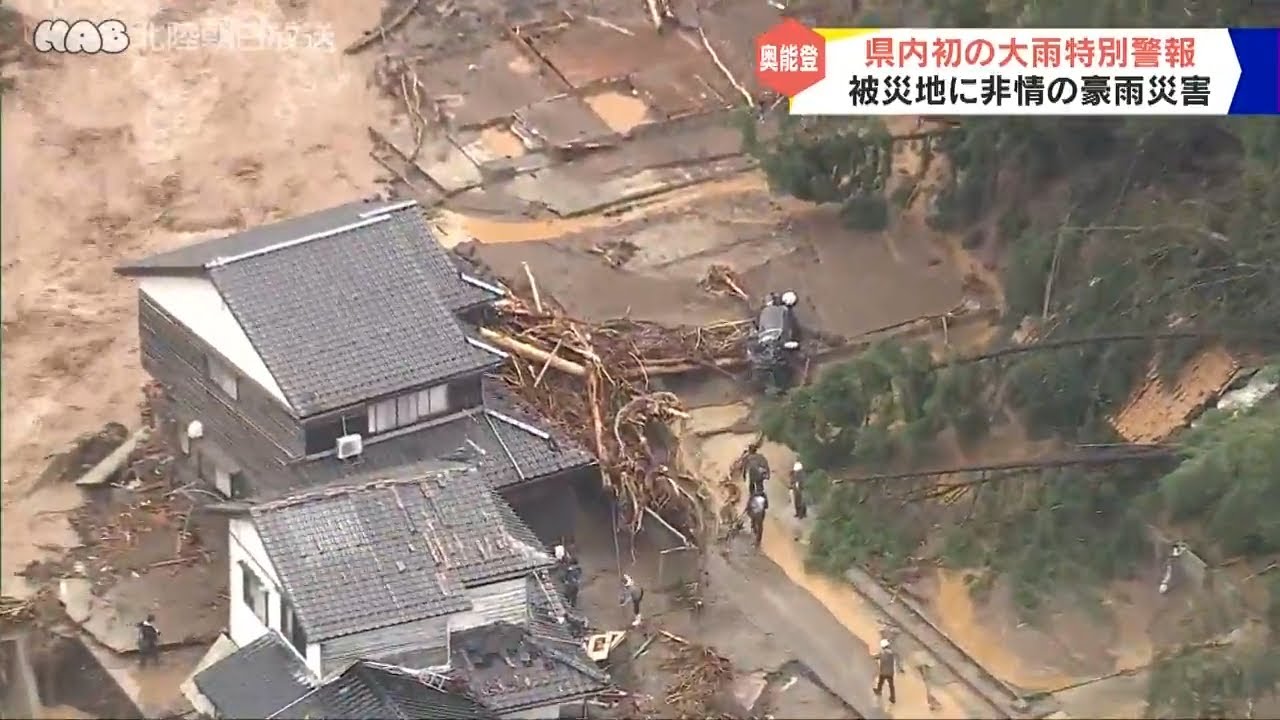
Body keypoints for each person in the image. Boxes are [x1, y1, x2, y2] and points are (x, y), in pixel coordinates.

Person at [873, 638, 897, 704]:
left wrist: (872, 656)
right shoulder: (891, 653)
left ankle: (879, 691)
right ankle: (893, 698)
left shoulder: (882, 653)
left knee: (880, 682)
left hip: (883, 672)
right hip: (890, 672)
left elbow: (876, 657)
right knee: (891, 686)